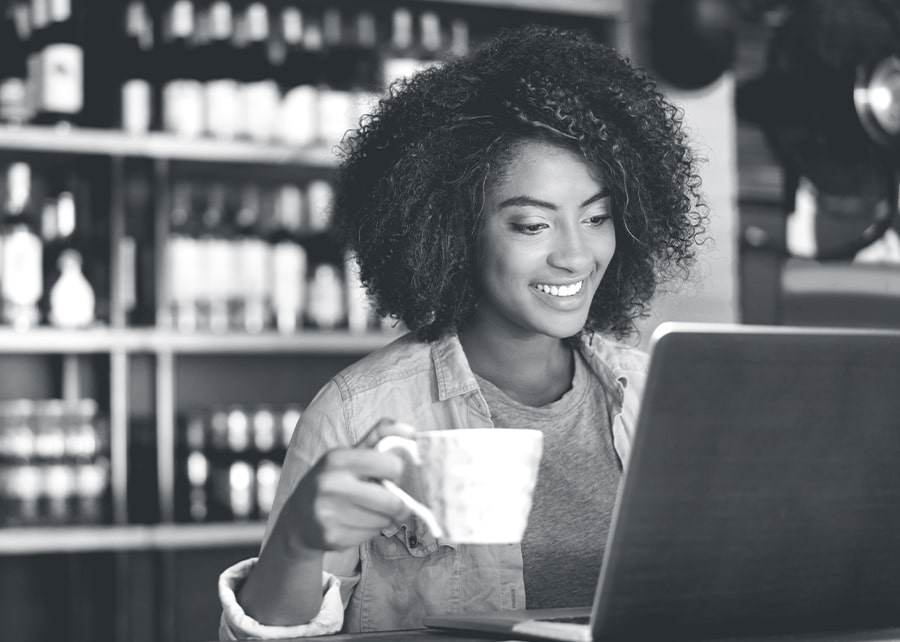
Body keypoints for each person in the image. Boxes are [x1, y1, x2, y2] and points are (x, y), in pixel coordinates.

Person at [218, 24, 707, 639]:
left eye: (597, 217)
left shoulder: (657, 391)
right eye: (532, 225)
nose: (577, 256)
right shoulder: (360, 411)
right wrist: (296, 541)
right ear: (453, 232)